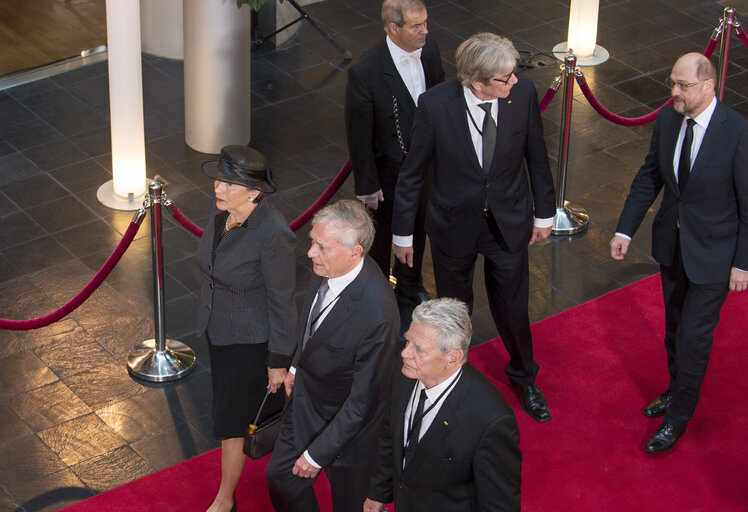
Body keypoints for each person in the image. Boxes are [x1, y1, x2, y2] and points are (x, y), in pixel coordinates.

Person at [391, 33, 556, 422]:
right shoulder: (435, 105)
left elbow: (537, 154)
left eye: (513, 74)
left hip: (508, 223)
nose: (514, 81)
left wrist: (544, 213)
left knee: (514, 307)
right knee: (454, 313)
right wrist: (402, 235)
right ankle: (454, 382)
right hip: (453, 227)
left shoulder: (523, 94)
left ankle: (524, 376)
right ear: (476, 81)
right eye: (505, 78)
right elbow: (412, 175)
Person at [610, 53, 748, 453]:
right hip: (673, 247)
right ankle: (675, 389)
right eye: (672, 83)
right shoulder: (670, 119)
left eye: (682, 86)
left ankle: (678, 418)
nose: (673, 92)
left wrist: (742, 262)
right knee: (674, 329)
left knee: (692, 338)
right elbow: (650, 175)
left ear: (707, 86)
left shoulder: (738, 132)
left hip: (716, 257)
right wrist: (625, 229)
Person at [266, 200, 400, 511]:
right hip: (305, 403)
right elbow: (311, 324)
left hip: (350, 434)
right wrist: (297, 367)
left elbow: (363, 401)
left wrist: (315, 457)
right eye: (313, 241)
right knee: (281, 479)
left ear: (355, 252)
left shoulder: (378, 314)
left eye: (321, 247)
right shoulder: (328, 265)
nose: (311, 252)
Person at [196, 145, 297, 512]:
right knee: (228, 413)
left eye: (229, 183)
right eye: (219, 179)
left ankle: (225, 499)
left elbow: (283, 301)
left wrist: (278, 360)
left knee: (232, 422)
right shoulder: (222, 209)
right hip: (219, 330)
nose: (218, 188)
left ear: (254, 192)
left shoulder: (274, 235)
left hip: (248, 343)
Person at [364, 298, 522, 512]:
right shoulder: (406, 374)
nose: (405, 353)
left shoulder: (490, 422)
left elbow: (499, 506)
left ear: (453, 358)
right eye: (407, 341)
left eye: (419, 349)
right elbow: (391, 436)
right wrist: (378, 492)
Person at [345, 0, 444, 306]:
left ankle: (409, 284)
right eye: (417, 26)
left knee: (418, 224)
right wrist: (367, 184)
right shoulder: (366, 71)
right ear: (393, 27)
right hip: (387, 171)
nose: (424, 31)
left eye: (425, 23)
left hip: (423, 163)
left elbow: (438, 99)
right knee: (382, 235)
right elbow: (359, 135)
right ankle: (375, 292)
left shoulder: (430, 49)